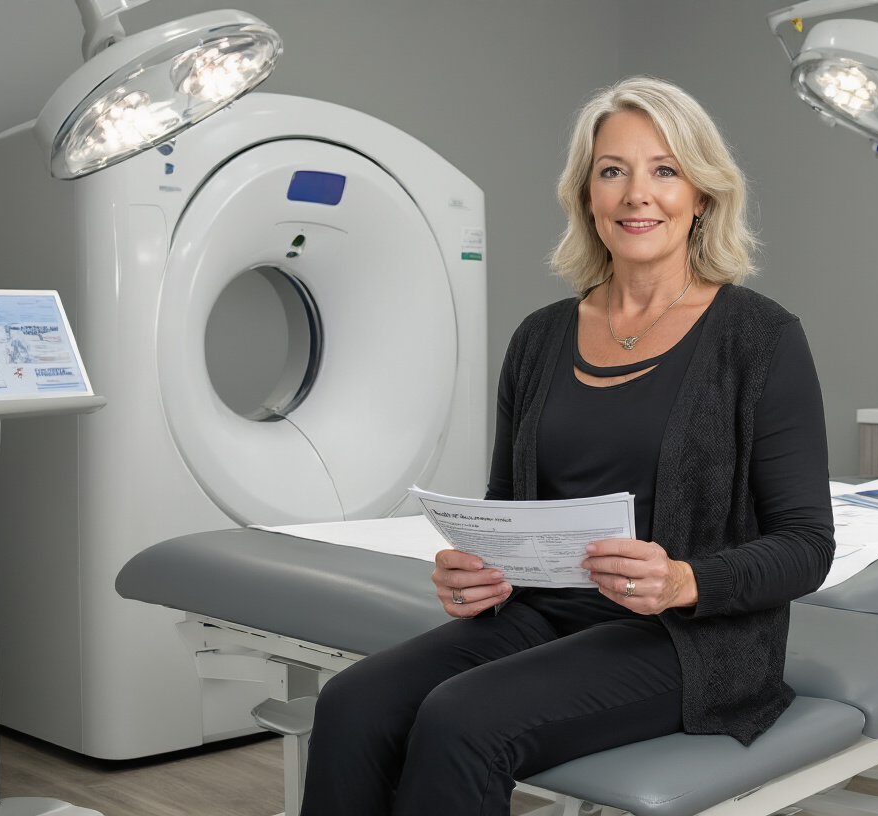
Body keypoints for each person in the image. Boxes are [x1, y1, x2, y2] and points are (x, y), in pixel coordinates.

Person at [299, 76, 834, 816]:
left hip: (683, 640)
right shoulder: (541, 337)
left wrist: (684, 580)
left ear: (703, 195)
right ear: (587, 195)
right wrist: (472, 571)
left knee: (461, 722)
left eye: (665, 170)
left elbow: (808, 544)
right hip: (537, 614)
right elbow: (504, 507)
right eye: (612, 171)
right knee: (353, 703)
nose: (636, 194)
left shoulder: (760, 338)